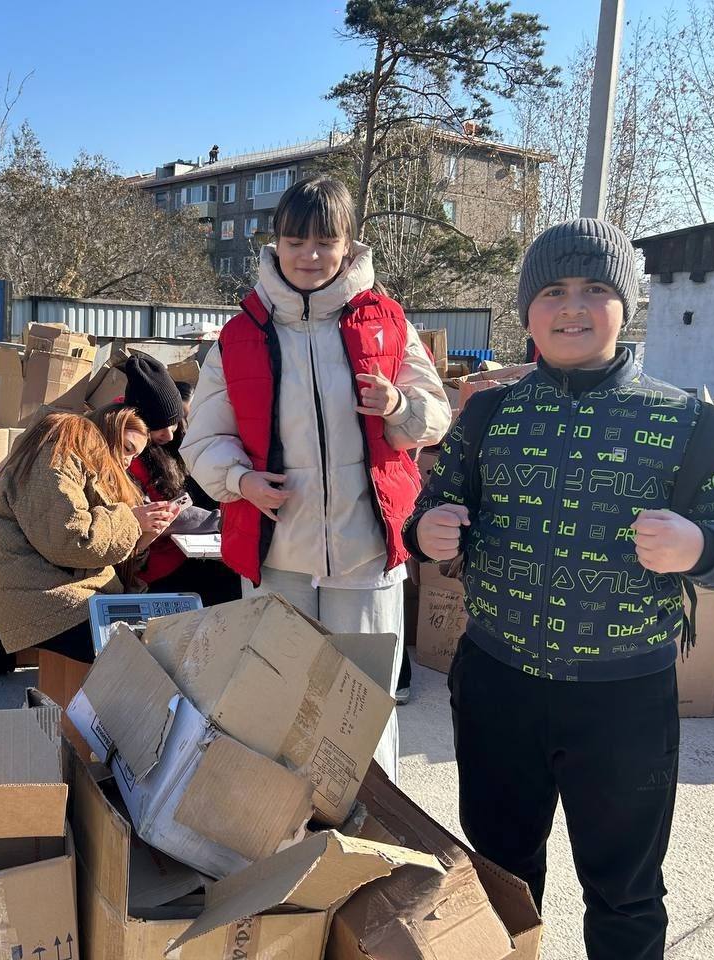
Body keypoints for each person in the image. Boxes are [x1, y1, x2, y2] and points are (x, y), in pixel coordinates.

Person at [404, 219, 714, 960]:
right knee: (500, 877)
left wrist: (699, 546)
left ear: (627, 303)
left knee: (626, 892)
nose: (572, 306)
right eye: (552, 290)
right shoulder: (489, 415)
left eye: (595, 288)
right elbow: (430, 508)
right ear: (526, 310)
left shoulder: (685, 423)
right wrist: (430, 532)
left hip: (622, 700)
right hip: (498, 685)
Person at [182, 175, 451, 782]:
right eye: (295, 240)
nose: (309, 255)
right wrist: (240, 481)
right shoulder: (241, 334)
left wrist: (397, 407)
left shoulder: (386, 323)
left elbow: (436, 417)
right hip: (279, 552)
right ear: (274, 243)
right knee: (278, 700)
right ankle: (283, 828)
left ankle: (377, 827)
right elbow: (203, 437)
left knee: (365, 704)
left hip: (367, 551)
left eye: (325, 241)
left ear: (350, 244)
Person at [0, 411, 176, 662]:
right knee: (155, 649)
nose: (128, 462)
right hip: (44, 602)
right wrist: (133, 521)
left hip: (54, 593)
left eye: (135, 455)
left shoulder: (79, 463)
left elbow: (94, 550)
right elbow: (72, 541)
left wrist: (143, 536)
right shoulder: (54, 458)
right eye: (127, 449)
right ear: (107, 434)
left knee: (163, 632)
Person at [116, 357, 242, 606]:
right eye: (160, 427)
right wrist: (224, 522)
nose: (169, 434)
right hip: (151, 563)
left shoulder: (166, 442)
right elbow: (165, 512)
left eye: (173, 424)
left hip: (180, 550)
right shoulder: (128, 452)